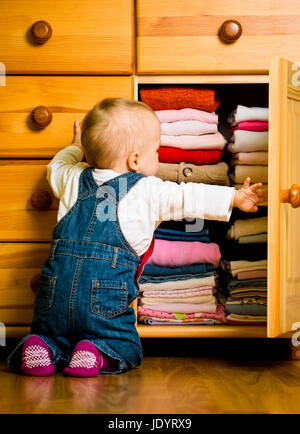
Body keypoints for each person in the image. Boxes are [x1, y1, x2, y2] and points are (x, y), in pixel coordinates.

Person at [7, 98, 265, 377]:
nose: (158, 156)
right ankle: (95, 351)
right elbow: (190, 195)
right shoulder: (148, 191)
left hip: (53, 293)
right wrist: (235, 197)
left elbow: (54, 167)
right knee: (124, 343)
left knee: (50, 331)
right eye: (156, 151)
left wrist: (75, 147)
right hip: (103, 298)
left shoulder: (72, 177)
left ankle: (40, 344)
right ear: (135, 160)